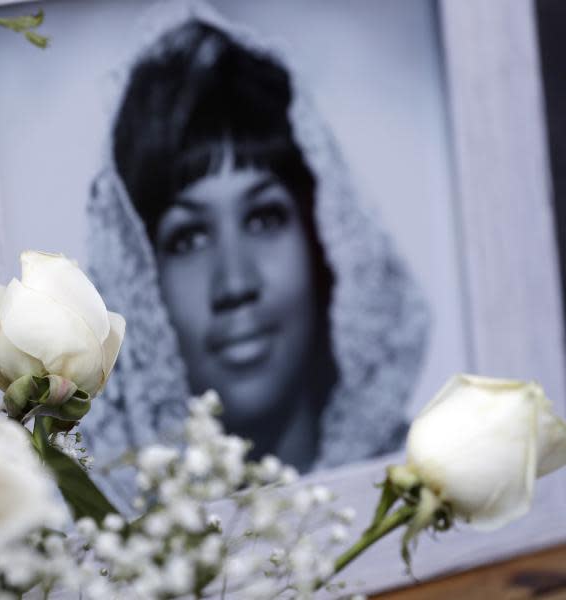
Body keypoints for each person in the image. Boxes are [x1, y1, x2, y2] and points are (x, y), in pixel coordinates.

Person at [80, 1, 429, 507]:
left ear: (324, 239)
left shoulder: (426, 496)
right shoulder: (101, 545)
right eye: (189, 238)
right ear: (140, 282)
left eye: (264, 219)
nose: (235, 283)